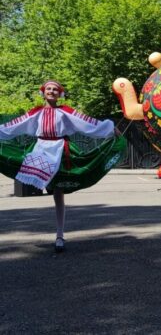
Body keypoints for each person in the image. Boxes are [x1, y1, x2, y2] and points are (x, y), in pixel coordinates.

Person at [0, 80, 126, 252]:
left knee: (58, 192)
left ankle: (60, 235)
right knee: (18, 164)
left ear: (60, 94)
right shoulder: (36, 112)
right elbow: (14, 126)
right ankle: (56, 226)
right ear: (43, 93)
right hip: (41, 151)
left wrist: (109, 129)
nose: (51, 91)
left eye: (55, 89)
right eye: (48, 89)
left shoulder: (65, 111)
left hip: (60, 150)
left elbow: (87, 123)